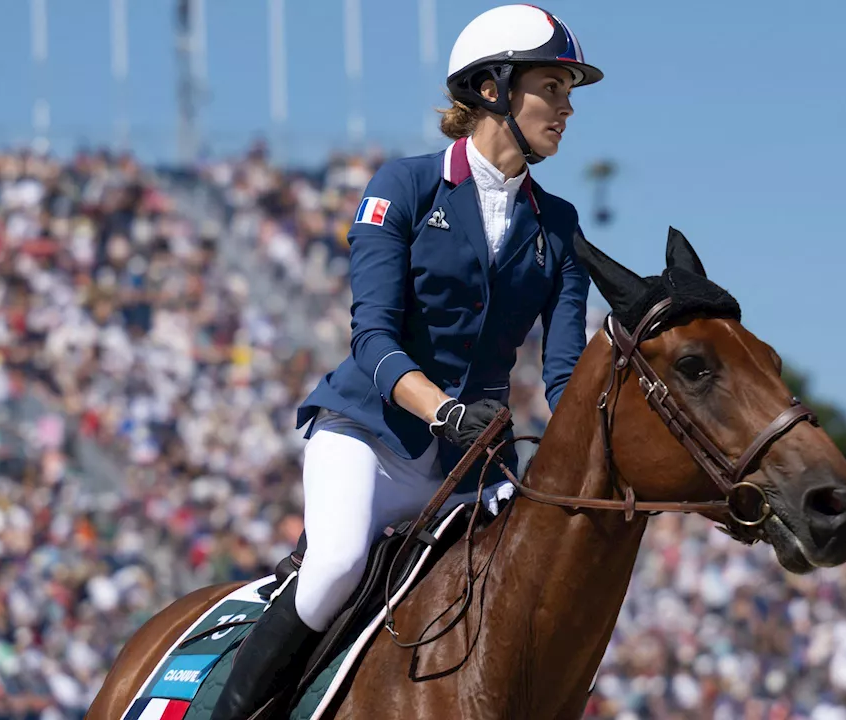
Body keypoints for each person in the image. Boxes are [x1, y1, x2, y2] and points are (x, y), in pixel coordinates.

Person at [210, 5, 604, 718]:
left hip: (473, 468)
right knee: (334, 568)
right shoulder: (405, 186)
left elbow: (563, 373)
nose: (568, 108)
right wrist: (446, 410)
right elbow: (375, 340)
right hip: (371, 438)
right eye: (554, 86)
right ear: (493, 89)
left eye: (570, 92)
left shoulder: (562, 223)